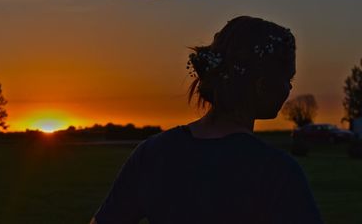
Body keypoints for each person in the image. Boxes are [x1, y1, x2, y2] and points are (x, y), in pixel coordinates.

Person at [89, 15, 324, 224]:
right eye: (287, 78)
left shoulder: (153, 153)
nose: (289, 88)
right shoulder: (276, 172)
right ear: (261, 85)